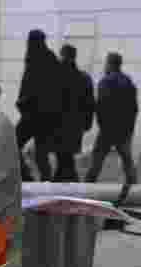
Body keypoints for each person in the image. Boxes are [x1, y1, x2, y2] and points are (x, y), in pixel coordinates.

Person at [85, 52, 138, 201]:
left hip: (107, 130)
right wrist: (129, 128)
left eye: (106, 63)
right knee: (127, 160)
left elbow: (101, 106)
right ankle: (134, 190)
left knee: (96, 160)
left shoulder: (105, 82)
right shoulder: (128, 82)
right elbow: (134, 108)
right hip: (124, 130)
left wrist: (102, 125)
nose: (105, 66)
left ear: (110, 64)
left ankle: (87, 188)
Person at [16, 29, 63, 182]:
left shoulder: (35, 58)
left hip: (34, 114)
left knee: (13, 145)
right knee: (41, 153)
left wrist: (23, 101)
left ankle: (27, 176)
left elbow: (33, 87)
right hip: (43, 116)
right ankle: (44, 181)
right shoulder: (49, 58)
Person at [54, 44, 95, 182]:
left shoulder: (56, 76)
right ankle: (65, 182)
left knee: (64, 158)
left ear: (62, 56)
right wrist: (87, 123)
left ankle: (66, 183)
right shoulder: (84, 78)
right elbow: (90, 103)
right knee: (66, 157)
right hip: (76, 125)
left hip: (59, 125)